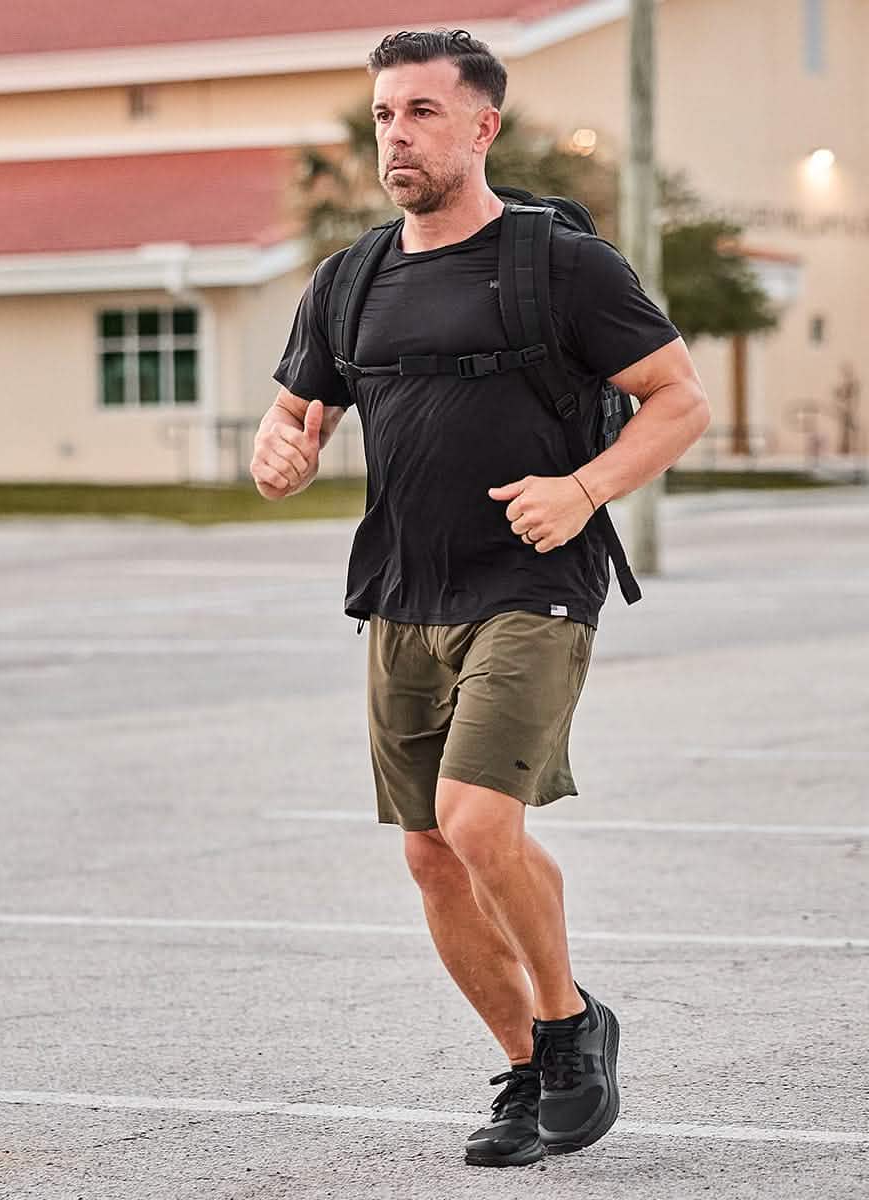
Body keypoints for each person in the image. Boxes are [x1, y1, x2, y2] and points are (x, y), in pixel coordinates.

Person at [251, 28, 710, 1168]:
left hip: (533, 584)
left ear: (482, 126)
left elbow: (679, 399)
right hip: (404, 592)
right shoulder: (348, 279)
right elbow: (297, 409)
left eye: (419, 113)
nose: (395, 136)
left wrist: (585, 488)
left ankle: (569, 1026)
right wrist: (281, 446)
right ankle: (528, 1066)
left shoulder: (561, 265)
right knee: (429, 855)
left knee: (475, 820)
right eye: (383, 117)